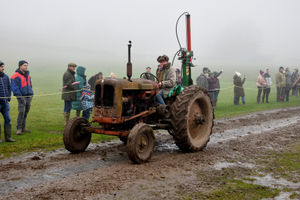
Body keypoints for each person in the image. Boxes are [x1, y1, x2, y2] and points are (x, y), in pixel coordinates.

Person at [11, 60, 33, 135]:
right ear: (20, 66)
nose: (26, 67)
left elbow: (30, 85)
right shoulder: (15, 76)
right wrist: (20, 97)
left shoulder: (28, 75)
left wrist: (31, 94)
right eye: (24, 65)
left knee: (26, 112)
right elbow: (14, 88)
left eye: (27, 65)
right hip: (21, 97)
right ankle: (19, 128)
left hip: (29, 96)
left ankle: (23, 127)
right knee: (21, 112)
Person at [0, 61, 15, 142]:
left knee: (8, 119)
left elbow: (9, 88)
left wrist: (8, 98)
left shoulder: (6, 77)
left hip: (5, 103)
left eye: (3, 66)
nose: (3, 68)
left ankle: (8, 137)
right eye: (1, 66)